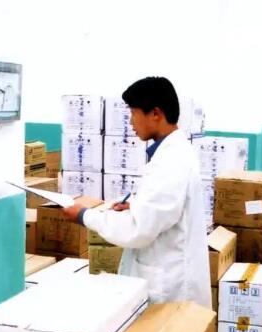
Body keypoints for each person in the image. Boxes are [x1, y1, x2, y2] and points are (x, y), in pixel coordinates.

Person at [60, 76, 211, 308]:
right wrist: (137, 206)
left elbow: (138, 229)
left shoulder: (172, 161)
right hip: (167, 272)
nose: (131, 122)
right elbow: (165, 209)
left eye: (133, 113)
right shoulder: (173, 153)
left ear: (156, 114)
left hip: (169, 287)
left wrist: (84, 215)